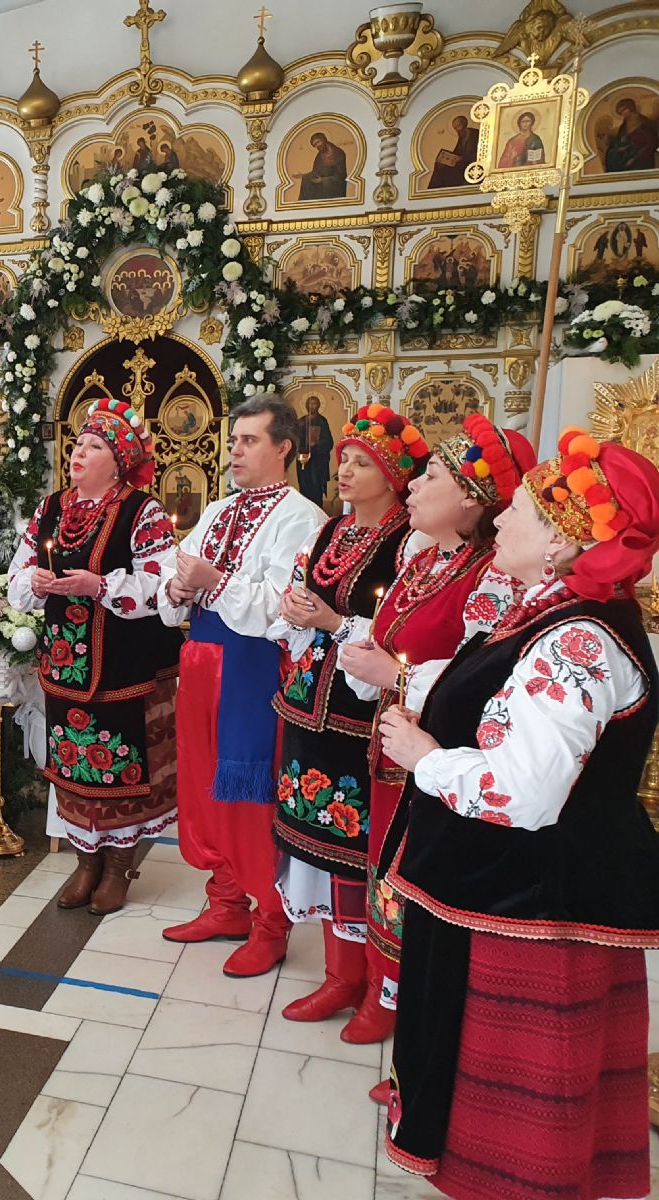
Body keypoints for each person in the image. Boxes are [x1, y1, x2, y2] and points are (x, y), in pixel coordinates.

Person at [376, 428, 659, 1200]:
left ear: (563, 544)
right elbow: (495, 684)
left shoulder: (581, 642)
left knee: (514, 1134)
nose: (500, 522)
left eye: (522, 513)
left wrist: (424, 757)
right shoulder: (555, 612)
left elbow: (523, 791)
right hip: (500, 894)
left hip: (530, 909)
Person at [337, 413, 533, 1069]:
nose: (414, 488)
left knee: (417, 890)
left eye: (433, 477)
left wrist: (392, 672)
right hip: (392, 750)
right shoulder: (420, 557)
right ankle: (377, 993)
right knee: (382, 877)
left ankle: (405, 1017)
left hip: (440, 762)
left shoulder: (491, 577)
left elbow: (482, 676)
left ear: (473, 499)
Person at [157, 394, 326, 976]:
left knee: (251, 791)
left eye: (250, 440)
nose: (236, 450)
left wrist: (213, 579)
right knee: (205, 784)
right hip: (201, 662)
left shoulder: (302, 519)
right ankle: (225, 901)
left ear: (284, 448)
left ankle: (270, 923)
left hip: (251, 669)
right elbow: (180, 572)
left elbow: (285, 609)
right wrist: (176, 591)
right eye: (234, 440)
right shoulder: (218, 510)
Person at [268, 406, 425, 1026]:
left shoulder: (407, 544)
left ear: (393, 475)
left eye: (363, 463)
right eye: (345, 462)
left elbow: (399, 632)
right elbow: (300, 598)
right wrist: (294, 607)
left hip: (363, 721)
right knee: (321, 845)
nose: (347, 472)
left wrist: (332, 623)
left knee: (361, 850)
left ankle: (378, 989)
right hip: (309, 708)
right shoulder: (330, 533)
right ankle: (340, 975)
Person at [9, 398, 183, 914]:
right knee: (73, 763)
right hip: (66, 663)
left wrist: (100, 584)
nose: (79, 452)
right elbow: (18, 571)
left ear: (119, 459)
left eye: (94, 446)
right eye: (79, 443)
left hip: (124, 664)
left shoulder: (142, 511)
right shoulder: (52, 508)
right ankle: (86, 863)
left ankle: (118, 868)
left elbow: (163, 585)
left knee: (121, 764)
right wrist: (33, 584)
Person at [603, 95, 659, 174]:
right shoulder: (623, 126)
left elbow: (652, 143)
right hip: (627, 152)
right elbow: (620, 141)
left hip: (642, 154)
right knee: (611, 153)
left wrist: (634, 158)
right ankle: (613, 177)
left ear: (631, 107)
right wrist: (621, 148)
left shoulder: (644, 122)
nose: (623, 114)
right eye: (620, 112)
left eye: (624, 110)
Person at [295, 396, 335, 508]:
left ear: (318, 406)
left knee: (316, 487)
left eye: (314, 404)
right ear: (306, 405)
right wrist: (299, 449)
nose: (312, 406)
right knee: (304, 486)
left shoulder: (322, 421)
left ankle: (317, 509)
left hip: (317, 462)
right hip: (303, 461)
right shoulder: (301, 421)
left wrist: (316, 444)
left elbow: (328, 442)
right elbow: (295, 439)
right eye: (310, 404)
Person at [427, 114, 479, 190]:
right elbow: (458, 152)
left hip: (471, 164)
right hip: (462, 163)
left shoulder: (475, 134)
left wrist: (462, 158)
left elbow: (481, 153)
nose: (457, 129)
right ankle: (433, 190)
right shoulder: (462, 137)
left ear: (465, 124)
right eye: (455, 128)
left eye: (458, 126)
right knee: (439, 165)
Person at [298, 132, 349, 200]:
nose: (317, 146)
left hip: (334, 185)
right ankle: (304, 207)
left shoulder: (338, 153)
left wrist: (323, 180)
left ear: (324, 139)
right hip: (322, 183)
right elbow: (315, 172)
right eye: (315, 145)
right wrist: (303, 175)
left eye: (318, 142)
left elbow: (341, 176)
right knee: (306, 180)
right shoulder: (319, 156)